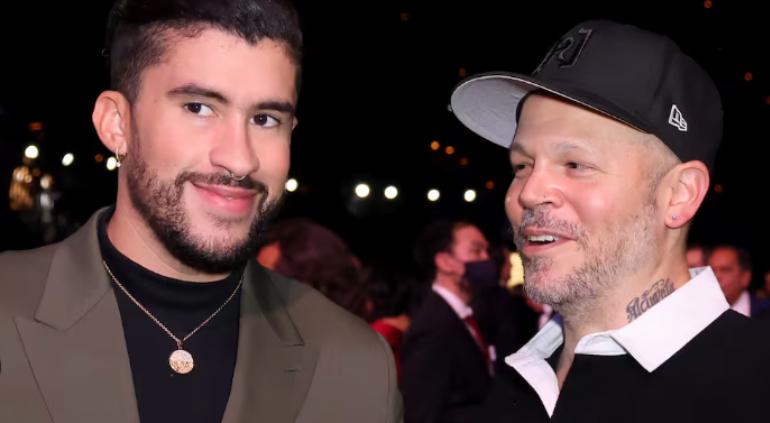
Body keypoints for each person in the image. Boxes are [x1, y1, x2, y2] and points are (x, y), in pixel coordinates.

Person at [0, 1, 401, 422]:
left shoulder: (356, 365)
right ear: (117, 124)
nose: (240, 159)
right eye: (199, 108)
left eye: (265, 119)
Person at [451, 19, 770, 422]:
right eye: (521, 165)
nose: (528, 193)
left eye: (575, 164)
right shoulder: (517, 383)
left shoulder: (756, 386)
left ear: (680, 193)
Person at [709, 245, 770, 318]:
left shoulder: (766, 311)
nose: (716, 277)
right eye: (711, 271)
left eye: (725, 270)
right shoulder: (700, 312)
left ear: (745, 277)